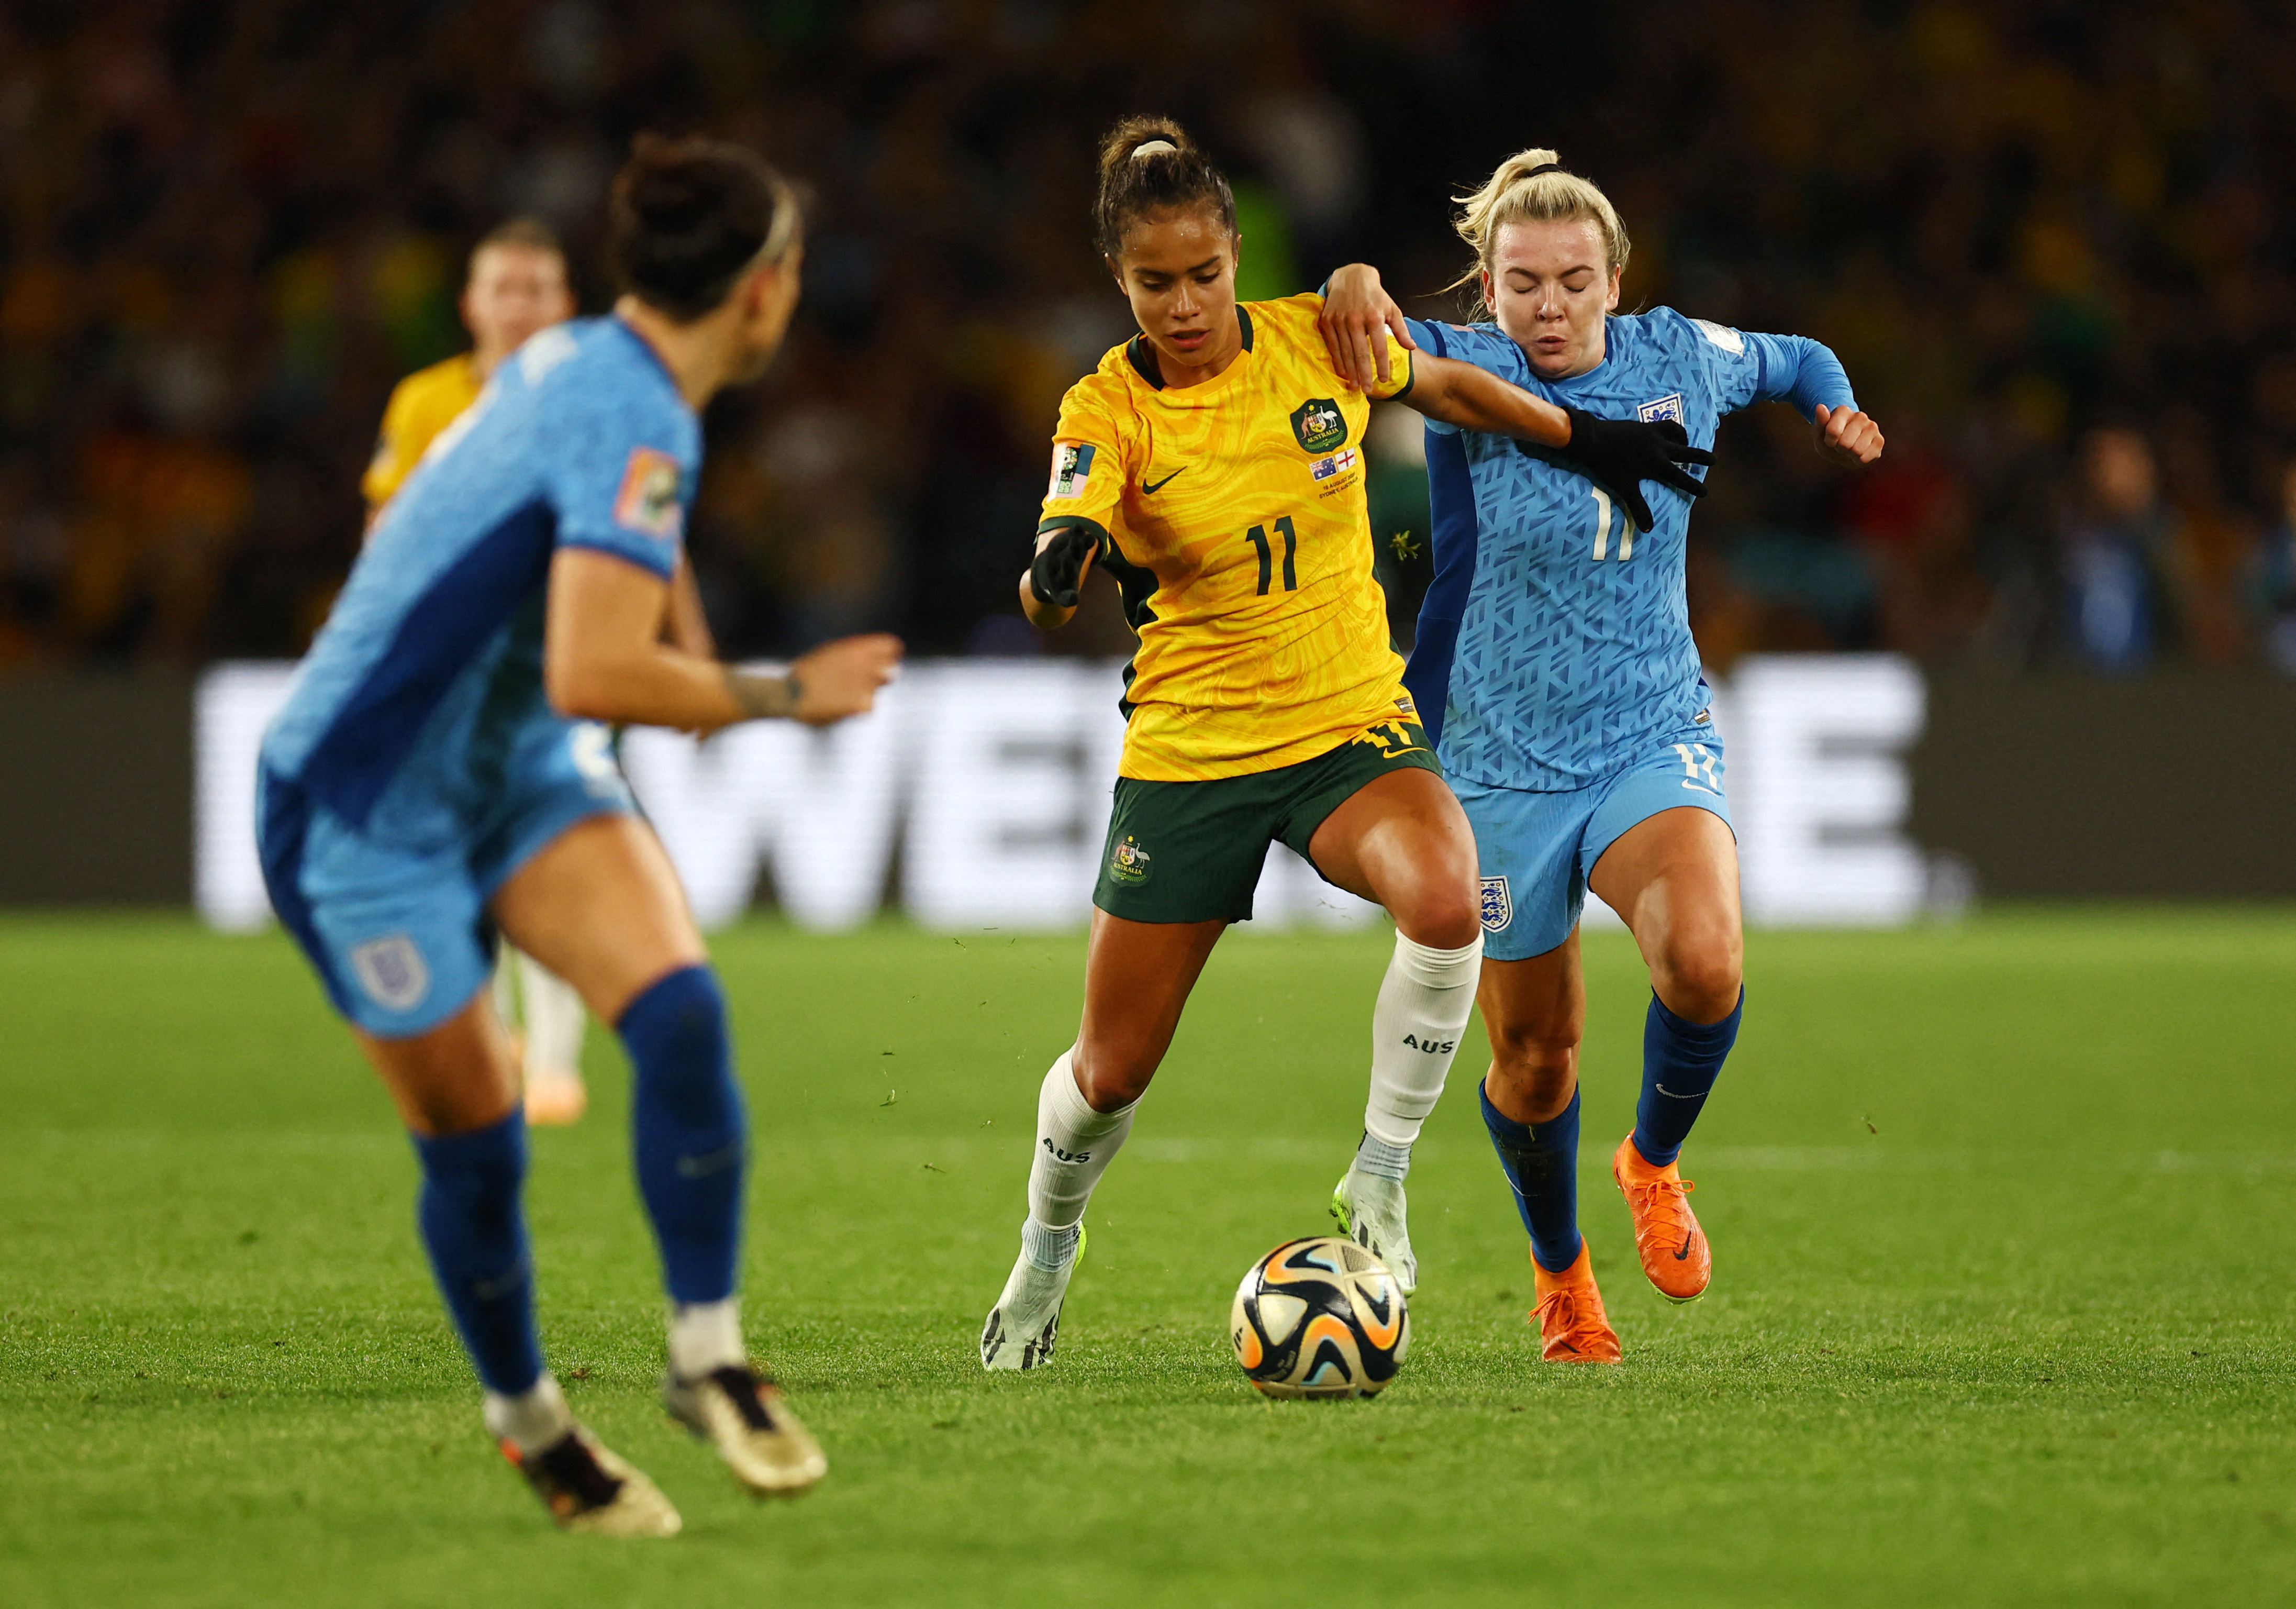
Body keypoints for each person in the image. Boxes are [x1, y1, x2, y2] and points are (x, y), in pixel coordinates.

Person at [979, 119, 1707, 1371]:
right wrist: (1058, 572)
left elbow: (1454, 389)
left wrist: (1586, 438)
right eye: (1158, 284)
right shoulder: (1107, 406)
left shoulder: (1319, 334)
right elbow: (1061, 549)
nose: (1188, 302)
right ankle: (1048, 1246)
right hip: (1195, 751)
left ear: (1234, 254)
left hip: (1346, 723)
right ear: (1122, 281)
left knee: (1444, 897)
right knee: (1110, 1071)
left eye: (1206, 274)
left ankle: (1380, 1176)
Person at [257, 135, 903, 1534]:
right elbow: (594, 673)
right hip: (361, 802)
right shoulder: (632, 409)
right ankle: (529, 1420)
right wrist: (788, 692)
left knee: (677, 1015)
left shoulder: (600, 369)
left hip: (514, 769)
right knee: (480, 1147)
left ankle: (708, 1352)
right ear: (764, 291)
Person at [1319, 148, 1883, 1363]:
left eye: (1575, 282)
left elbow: (1792, 358)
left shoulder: (1683, 354)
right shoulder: (1459, 368)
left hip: (1646, 729)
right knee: (1535, 1056)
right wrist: (1358, 272)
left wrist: (1834, 403)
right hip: (1491, 762)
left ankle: (1653, 1160)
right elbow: (1353, 333)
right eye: (1522, 284)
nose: (1550, 307)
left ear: (1616, 281)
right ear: (1486, 283)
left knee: (1705, 960)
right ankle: (1562, 1275)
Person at [360, 217, 710, 1126]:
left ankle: (552, 1065)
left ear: (565, 304)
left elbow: (652, 530)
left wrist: (691, 649)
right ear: (471, 303)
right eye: (502, 288)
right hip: (447, 671)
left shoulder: (602, 402)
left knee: (544, 844)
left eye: (536, 289)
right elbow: (387, 530)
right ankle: (495, 1044)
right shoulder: (424, 404)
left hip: (559, 657)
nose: (518, 305)